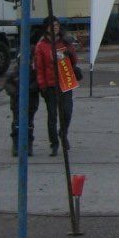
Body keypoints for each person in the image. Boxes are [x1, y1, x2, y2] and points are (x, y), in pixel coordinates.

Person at [35, 16, 78, 157]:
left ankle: (63, 133)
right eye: (52, 25)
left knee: (67, 111)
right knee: (52, 115)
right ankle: (54, 144)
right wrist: (42, 85)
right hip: (50, 85)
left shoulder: (65, 41)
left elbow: (74, 61)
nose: (55, 27)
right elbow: (39, 68)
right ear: (46, 28)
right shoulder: (41, 45)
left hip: (65, 81)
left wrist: (70, 52)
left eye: (57, 25)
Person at [5, 55, 39, 156]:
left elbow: (38, 83)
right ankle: (16, 144)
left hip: (31, 103)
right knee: (16, 123)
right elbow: (7, 84)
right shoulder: (14, 73)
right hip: (16, 102)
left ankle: (28, 144)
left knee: (29, 124)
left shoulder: (33, 73)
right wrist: (15, 92)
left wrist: (30, 89)